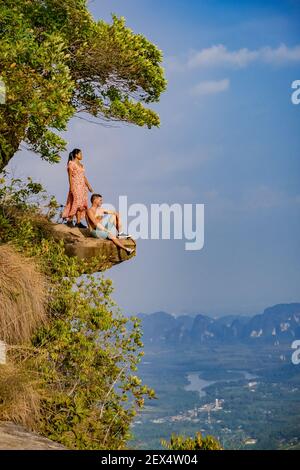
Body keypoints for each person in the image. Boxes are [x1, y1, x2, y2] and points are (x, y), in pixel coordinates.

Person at [62, 148, 93, 228]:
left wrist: (88, 185)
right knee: (75, 202)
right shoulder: (71, 163)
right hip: (75, 186)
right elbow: (69, 176)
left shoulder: (81, 165)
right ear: (76, 155)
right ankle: (70, 220)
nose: (81, 155)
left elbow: (83, 176)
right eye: (80, 154)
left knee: (81, 204)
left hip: (82, 187)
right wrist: (71, 187)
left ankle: (78, 222)